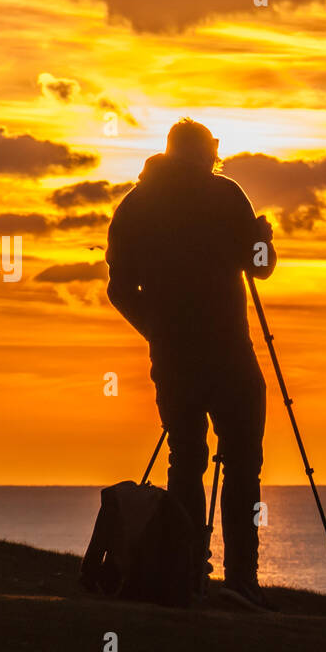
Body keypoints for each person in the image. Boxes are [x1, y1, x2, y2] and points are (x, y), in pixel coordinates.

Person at [105, 118, 275, 609]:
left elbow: (119, 289)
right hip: (229, 353)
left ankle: (182, 574)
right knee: (244, 466)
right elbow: (261, 266)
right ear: (204, 152)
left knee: (186, 462)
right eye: (213, 150)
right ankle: (242, 579)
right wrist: (262, 236)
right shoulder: (225, 196)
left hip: (175, 358)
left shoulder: (135, 206)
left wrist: (157, 332)